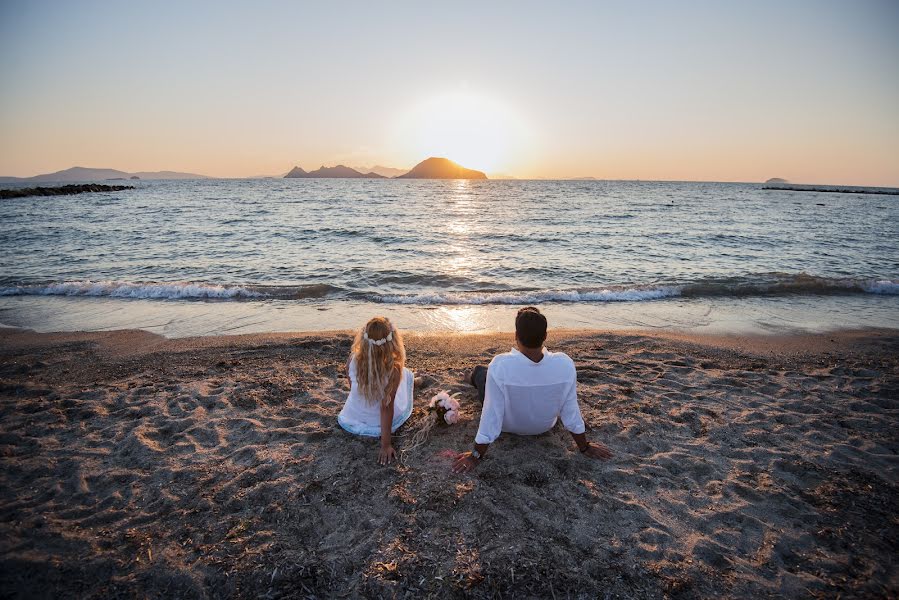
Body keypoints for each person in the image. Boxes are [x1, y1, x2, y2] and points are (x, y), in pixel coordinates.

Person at [453, 307, 613, 473]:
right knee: (489, 376)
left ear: (516, 336)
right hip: (543, 426)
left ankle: (471, 377)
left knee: (482, 373)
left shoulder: (500, 364)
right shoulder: (564, 364)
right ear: (545, 336)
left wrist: (476, 455)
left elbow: (491, 413)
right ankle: (473, 376)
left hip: (506, 426)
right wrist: (584, 447)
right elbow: (570, 410)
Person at [337, 317, 413, 465]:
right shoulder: (393, 370)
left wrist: (359, 397)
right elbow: (386, 407)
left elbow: (350, 379)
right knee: (406, 375)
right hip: (376, 422)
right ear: (393, 341)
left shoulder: (353, 359)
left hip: (353, 415)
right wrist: (386, 445)